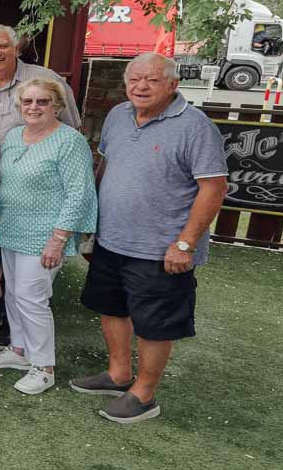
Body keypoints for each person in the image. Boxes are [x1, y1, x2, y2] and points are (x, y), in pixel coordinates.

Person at [71, 53, 226, 424]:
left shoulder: (195, 127)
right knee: (111, 308)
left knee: (155, 322)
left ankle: (144, 393)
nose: (140, 87)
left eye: (152, 81)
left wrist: (185, 242)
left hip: (161, 248)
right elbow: (107, 167)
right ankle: (118, 374)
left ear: (172, 85)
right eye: (134, 79)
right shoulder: (118, 116)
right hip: (112, 239)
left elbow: (214, 188)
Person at [0, 23, 81, 343]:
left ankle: (16, 323)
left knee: (22, 253)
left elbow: (70, 129)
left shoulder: (44, 80)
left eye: (2, 46)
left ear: (17, 47)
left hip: (32, 188)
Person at [0, 79, 97, 395]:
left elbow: (79, 193)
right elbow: (2, 182)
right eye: (28, 101)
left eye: (42, 102)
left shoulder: (69, 141)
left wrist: (58, 239)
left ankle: (44, 367)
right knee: (15, 294)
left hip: (45, 236)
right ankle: (18, 351)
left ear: (57, 105)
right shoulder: (16, 136)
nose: (34, 107)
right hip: (11, 229)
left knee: (33, 299)